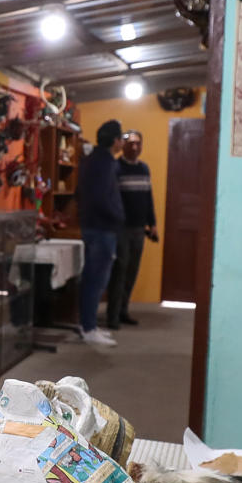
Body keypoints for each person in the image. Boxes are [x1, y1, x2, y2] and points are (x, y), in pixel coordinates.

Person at [75, 118, 125, 346]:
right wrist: (119, 217)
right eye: (121, 138)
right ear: (115, 140)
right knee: (96, 280)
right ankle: (88, 327)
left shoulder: (89, 160)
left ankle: (89, 324)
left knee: (92, 279)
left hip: (91, 225)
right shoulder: (106, 163)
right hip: (102, 228)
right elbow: (104, 198)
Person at [106, 130, 159, 328]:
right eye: (130, 144)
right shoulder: (116, 168)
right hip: (120, 229)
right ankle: (112, 317)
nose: (134, 147)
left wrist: (152, 224)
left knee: (131, 271)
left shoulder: (144, 169)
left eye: (138, 144)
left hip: (139, 229)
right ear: (123, 145)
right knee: (119, 271)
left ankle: (123, 311)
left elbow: (148, 198)